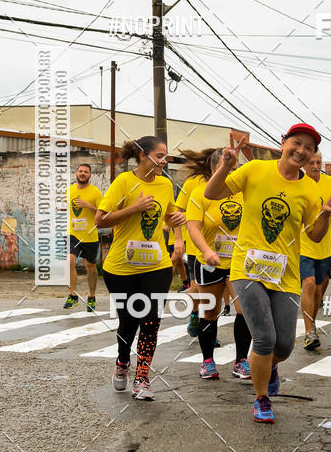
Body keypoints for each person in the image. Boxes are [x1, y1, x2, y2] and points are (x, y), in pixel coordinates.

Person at [205, 123, 331, 424]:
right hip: (247, 268)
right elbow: (212, 192)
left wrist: (324, 214)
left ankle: (270, 366)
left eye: (310, 148)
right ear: (283, 143)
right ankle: (261, 398)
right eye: (297, 143)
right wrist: (225, 167)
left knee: (283, 346)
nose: (302, 151)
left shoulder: (309, 188)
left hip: (286, 274)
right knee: (265, 338)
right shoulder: (254, 169)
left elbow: (315, 235)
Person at [95, 136, 184, 401]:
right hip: (121, 266)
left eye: (165, 155)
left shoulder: (165, 184)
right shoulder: (124, 182)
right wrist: (133, 208)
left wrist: (176, 219)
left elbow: (166, 214)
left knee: (151, 321)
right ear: (143, 155)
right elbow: (101, 219)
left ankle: (142, 378)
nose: (164, 160)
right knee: (129, 321)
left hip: (156, 265)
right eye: (159, 155)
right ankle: (123, 361)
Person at [186, 150, 251, 380]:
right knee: (210, 312)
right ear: (215, 169)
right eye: (227, 168)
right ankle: (207, 361)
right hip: (210, 261)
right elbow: (193, 227)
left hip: (240, 262)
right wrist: (206, 250)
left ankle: (241, 361)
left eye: (234, 169)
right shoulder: (199, 193)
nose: (231, 173)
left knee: (245, 311)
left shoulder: (243, 192)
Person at [176, 148, 221, 340]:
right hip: (198, 246)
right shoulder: (193, 183)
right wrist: (179, 240)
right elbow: (178, 212)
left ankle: (209, 322)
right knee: (196, 287)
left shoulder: (232, 182)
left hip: (225, 249)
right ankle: (198, 316)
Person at [299, 153, 331, 350]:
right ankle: (309, 332)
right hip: (303, 243)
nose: (315, 166)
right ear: (304, 164)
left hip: (324, 246)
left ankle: (311, 322)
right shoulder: (298, 182)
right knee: (308, 284)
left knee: (319, 288)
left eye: (318, 163)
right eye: (311, 163)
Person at [65, 164, 102, 311]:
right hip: (72, 233)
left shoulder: (95, 193)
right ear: (76, 173)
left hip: (90, 235)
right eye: (80, 171)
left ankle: (91, 296)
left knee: (90, 267)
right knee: (70, 261)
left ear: (90, 175)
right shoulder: (69, 190)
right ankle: (72, 295)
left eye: (86, 172)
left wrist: (89, 206)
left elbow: (103, 212)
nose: (82, 173)